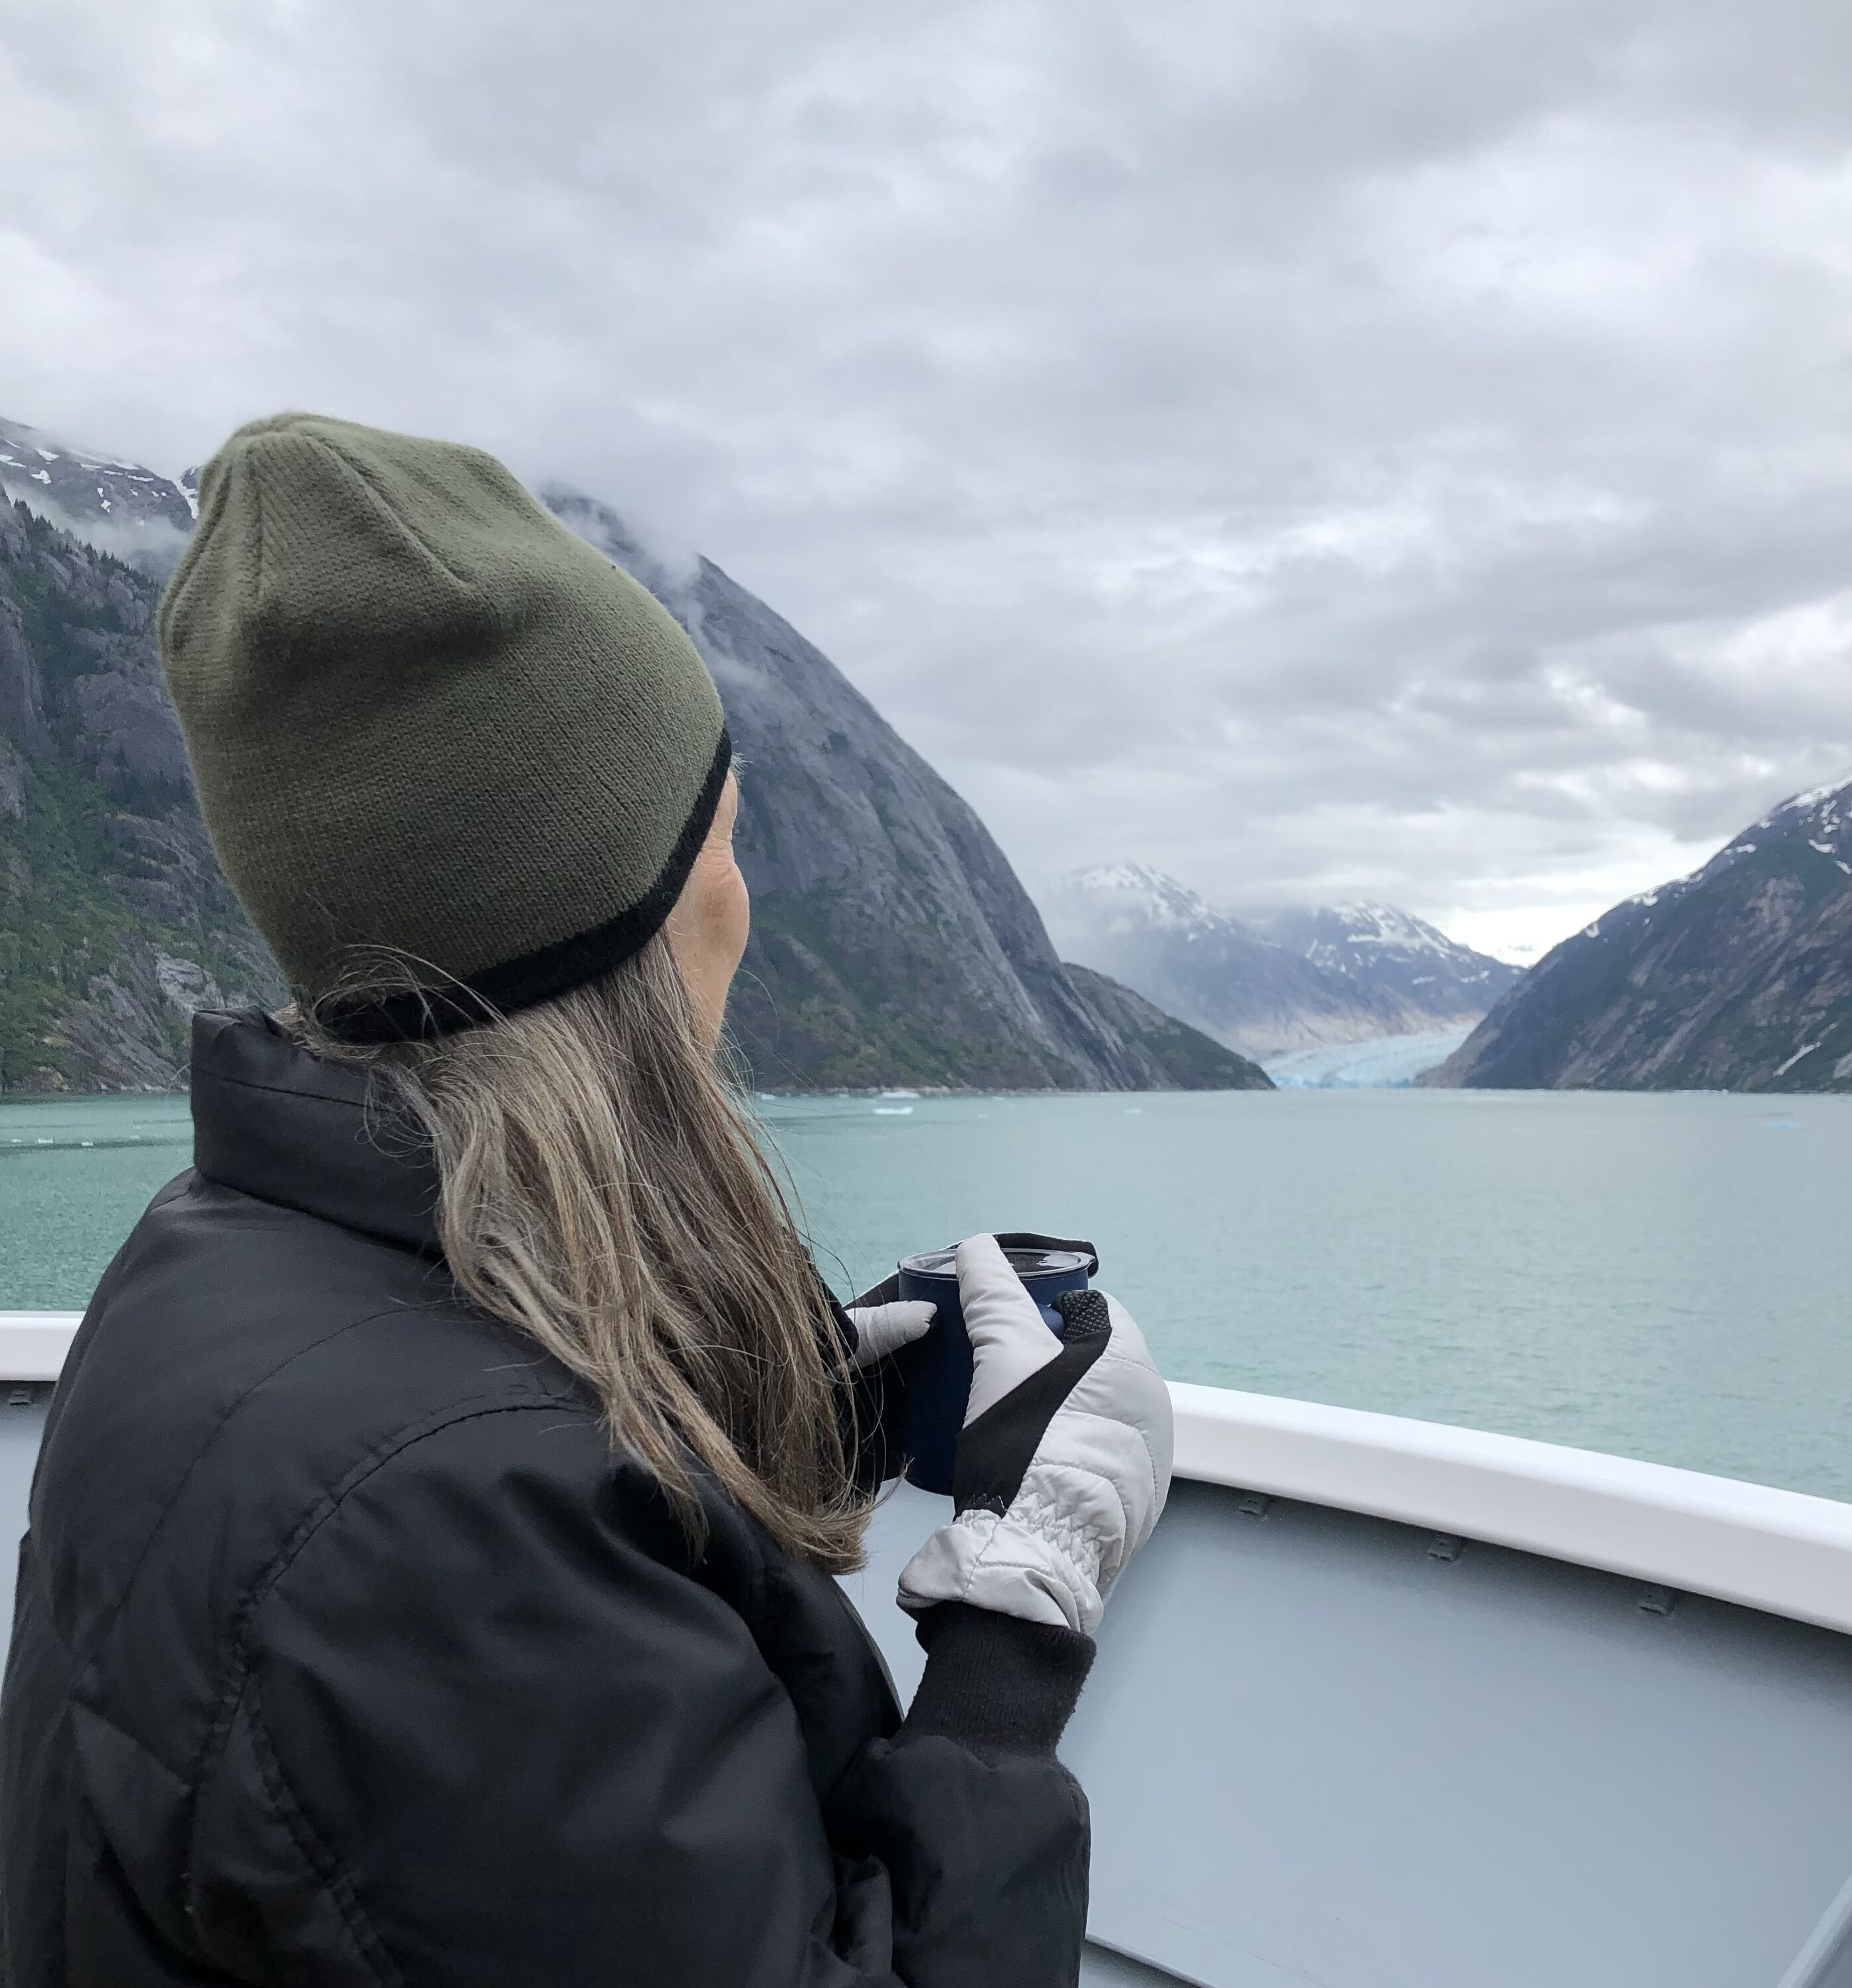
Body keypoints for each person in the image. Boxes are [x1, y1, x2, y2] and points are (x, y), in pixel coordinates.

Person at [0, 413, 1173, 1985]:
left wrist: (785, 1405)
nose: (740, 894)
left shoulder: (206, 1259)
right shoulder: (451, 1537)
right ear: (639, 913)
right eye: (724, 836)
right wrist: (1018, 1616)